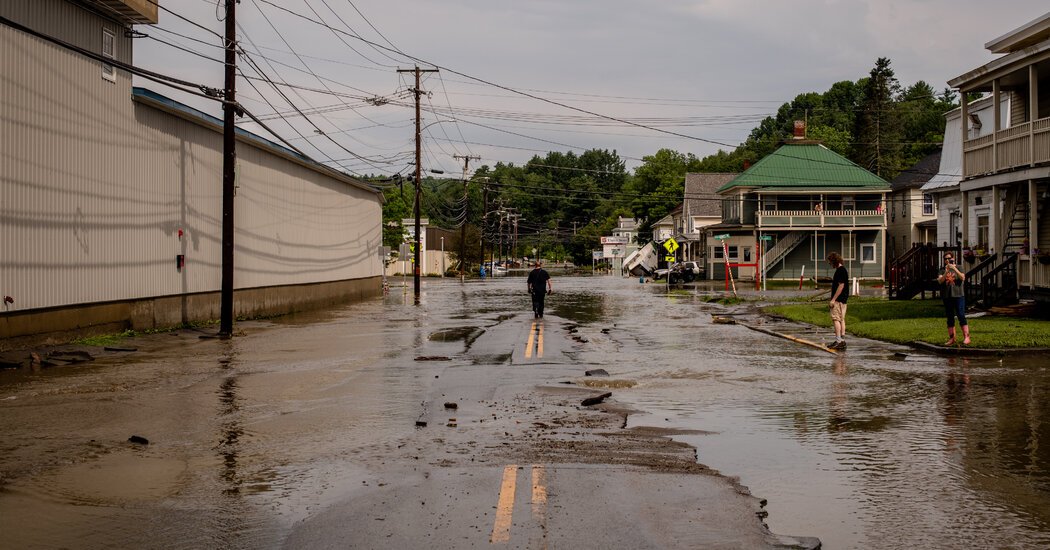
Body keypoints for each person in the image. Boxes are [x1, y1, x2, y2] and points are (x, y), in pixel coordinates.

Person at [937, 252, 970, 346]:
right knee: (950, 317)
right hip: (947, 296)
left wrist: (954, 268)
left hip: (959, 295)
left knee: (961, 315)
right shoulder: (942, 270)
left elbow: (962, 277)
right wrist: (946, 271)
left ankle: (967, 337)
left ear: (953, 258)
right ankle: (952, 338)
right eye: (945, 259)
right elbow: (940, 281)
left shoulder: (959, 267)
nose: (947, 260)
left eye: (949, 258)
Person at [827, 252, 849, 350]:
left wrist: (833, 299)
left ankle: (839, 340)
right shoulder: (843, 270)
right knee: (841, 319)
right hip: (843, 299)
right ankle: (842, 341)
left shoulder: (840, 271)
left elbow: (841, 286)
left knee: (836, 319)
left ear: (834, 261)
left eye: (830, 262)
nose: (830, 264)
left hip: (838, 300)